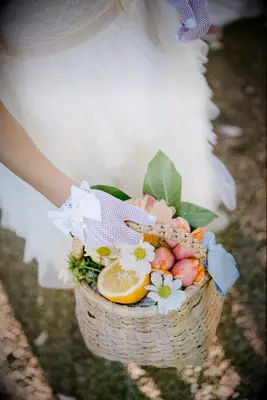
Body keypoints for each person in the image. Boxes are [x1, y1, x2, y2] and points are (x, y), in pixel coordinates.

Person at [0, 0, 236, 289]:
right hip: (50, 82)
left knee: (167, 157)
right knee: (101, 223)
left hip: (136, 37)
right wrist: (70, 198)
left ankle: (181, 247)